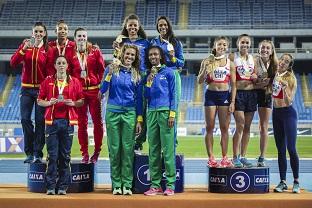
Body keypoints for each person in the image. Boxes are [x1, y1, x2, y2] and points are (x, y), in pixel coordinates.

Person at [37, 55, 84, 195]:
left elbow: (81, 100)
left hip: (68, 122)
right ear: (55, 66)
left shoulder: (75, 82)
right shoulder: (47, 81)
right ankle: (50, 186)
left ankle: (63, 186)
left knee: (65, 156)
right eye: (59, 63)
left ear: (67, 65)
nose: (61, 65)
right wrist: (49, 103)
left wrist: (74, 103)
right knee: (52, 156)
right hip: (51, 122)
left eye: (64, 62)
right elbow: (39, 100)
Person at [99, 44, 143, 195]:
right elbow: (102, 90)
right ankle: (116, 184)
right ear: (122, 54)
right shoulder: (112, 69)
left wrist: (139, 119)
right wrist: (109, 73)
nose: (129, 57)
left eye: (132, 55)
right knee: (114, 149)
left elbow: (139, 100)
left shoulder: (137, 74)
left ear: (135, 58)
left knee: (128, 150)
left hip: (130, 114)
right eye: (127, 54)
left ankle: (127, 184)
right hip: (112, 113)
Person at [10, 22, 50, 163]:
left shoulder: (47, 49)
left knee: (40, 121)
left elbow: (49, 72)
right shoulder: (25, 46)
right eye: (36, 32)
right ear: (32, 33)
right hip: (26, 89)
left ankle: (38, 153)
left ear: (44, 33)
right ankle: (29, 152)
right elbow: (13, 62)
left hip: (41, 90)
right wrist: (23, 49)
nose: (38, 34)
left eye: (41, 32)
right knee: (25, 119)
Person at [112, 13, 150, 153]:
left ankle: (138, 143)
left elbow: (150, 60)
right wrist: (115, 50)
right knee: (129, 110)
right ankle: (126, 141)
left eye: (135, 25)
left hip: (142, 78)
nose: (132, 27)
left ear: (138, 27)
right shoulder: (121, 42)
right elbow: (117, 60)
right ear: (126, 27)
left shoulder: (145, 42)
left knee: (142, 111)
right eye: (130, 25)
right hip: (126, 79)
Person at [143, 46, 176, 196]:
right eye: (150, 55)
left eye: (155, 54)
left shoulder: (169, 72)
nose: (153, 56)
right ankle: (155, 185)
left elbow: (174, 95)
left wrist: (172, 114)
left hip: (165, 113)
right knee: (154, 151)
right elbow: (146, 96)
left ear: (161, 56)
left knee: (168, 150)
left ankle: (170, 185)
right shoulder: (148, 74)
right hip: (151, 113)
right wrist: (148, 81)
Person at [197, 36, 235, 168]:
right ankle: (211, 158)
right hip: (211, 95)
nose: (222, 47)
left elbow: (234, 85)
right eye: (219, 44)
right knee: (209, 127)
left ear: (227, 47)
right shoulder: (207, 61)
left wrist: (233, 102)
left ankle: (225, 157)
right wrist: (204, 71)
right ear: (215, 46)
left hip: (224, 95)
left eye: (224, 45)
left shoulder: (230, 63)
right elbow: (199, 80)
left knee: (225, 128)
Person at [71, 27, 105, 163]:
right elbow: (69, 73)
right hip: (79, 92)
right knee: (81, 124)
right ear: (74, 38)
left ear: (87, 37)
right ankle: (84, 153)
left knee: (98, 123)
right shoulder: (70, 53)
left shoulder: (95, 51)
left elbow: (102, 71)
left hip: (94, 90)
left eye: (84, 36)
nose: (82, 38)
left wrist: (101, 89)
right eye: (79, 36)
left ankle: (96, 152)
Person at [150, 16, 185, 147]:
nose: (162, 27)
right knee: (157, 107)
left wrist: (173, 57)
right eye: (160, 25)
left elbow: (182, 62)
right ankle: (158, 145)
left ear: (168, 26)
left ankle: (172, 145)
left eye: (164, 25)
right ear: (157, 27)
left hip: (173, 74)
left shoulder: (176, 43)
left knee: (172, 107)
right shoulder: (154, 42)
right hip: (157, 75)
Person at [272, 53, 300, 194]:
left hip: (288, 113)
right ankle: (283, 182)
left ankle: (296, 181)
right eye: (282, 59)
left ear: (289, 66)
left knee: (291, 148)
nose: (283, 62)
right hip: (276, 113)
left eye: (286, 61)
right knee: (280, 150)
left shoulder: (291, 78)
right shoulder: (274, 73)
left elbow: (290, 101)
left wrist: (284, 88)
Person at [230, 34, 257, 168]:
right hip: (238, 94)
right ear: (238, 44)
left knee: (247, 127)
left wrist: (257, 77)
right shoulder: (232, 57)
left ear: (250, 44)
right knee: (240, 125)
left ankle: (243, 156)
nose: (245, 45)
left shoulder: (254, 59)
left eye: (247, 42)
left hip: (251, 94)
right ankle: (235, 156)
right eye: (242, 42)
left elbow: (256, 77)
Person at [254, 40, 278, 167]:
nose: (265, 50)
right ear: (259, 49)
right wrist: (262, 82)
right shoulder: (253, 60)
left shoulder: (275, 64)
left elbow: (273, 82)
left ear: (272, 50)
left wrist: (261, 82)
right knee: (244, 126)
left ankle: (262, 157)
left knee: (263, 127)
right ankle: (241, 156)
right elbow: (251, 80)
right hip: (252, 94)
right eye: (262, 47)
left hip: (266, 95)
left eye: (268, 48)